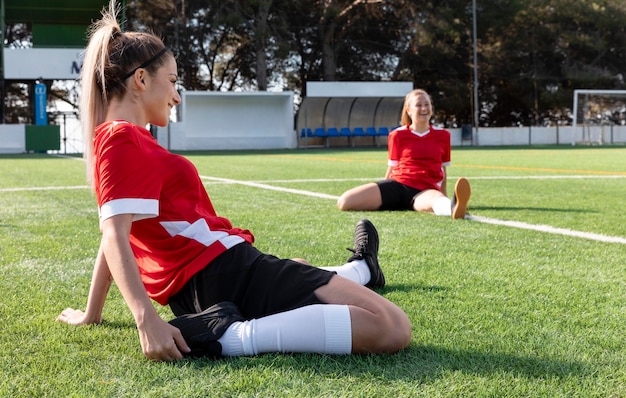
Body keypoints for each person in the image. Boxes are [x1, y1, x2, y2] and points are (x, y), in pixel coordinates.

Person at [55, 1, 410, 362]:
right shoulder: (122, 139)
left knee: (299, 264)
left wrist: (92, 312)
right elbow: (115, 236)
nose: (177, 95)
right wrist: (146, 319)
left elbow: (118, 232)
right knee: (390, 324)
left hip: (208, 281)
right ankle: (227, 336)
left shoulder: (122, 139)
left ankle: (363, 269)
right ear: (141, 80)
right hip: (223, 271)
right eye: (173, 82)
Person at [336, 89, 471, 219]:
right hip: (397, 185)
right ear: (409, 110)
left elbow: (443, 169)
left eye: (427, 105)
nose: (424, 109)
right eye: (418, 105)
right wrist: (384, 189)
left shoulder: (443, 135)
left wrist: (443, 194)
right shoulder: (397, 135)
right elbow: (392, 167)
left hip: (424, 190)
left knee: (437, 201)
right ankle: (396, 202)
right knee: (345, 202)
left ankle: (453, 206)